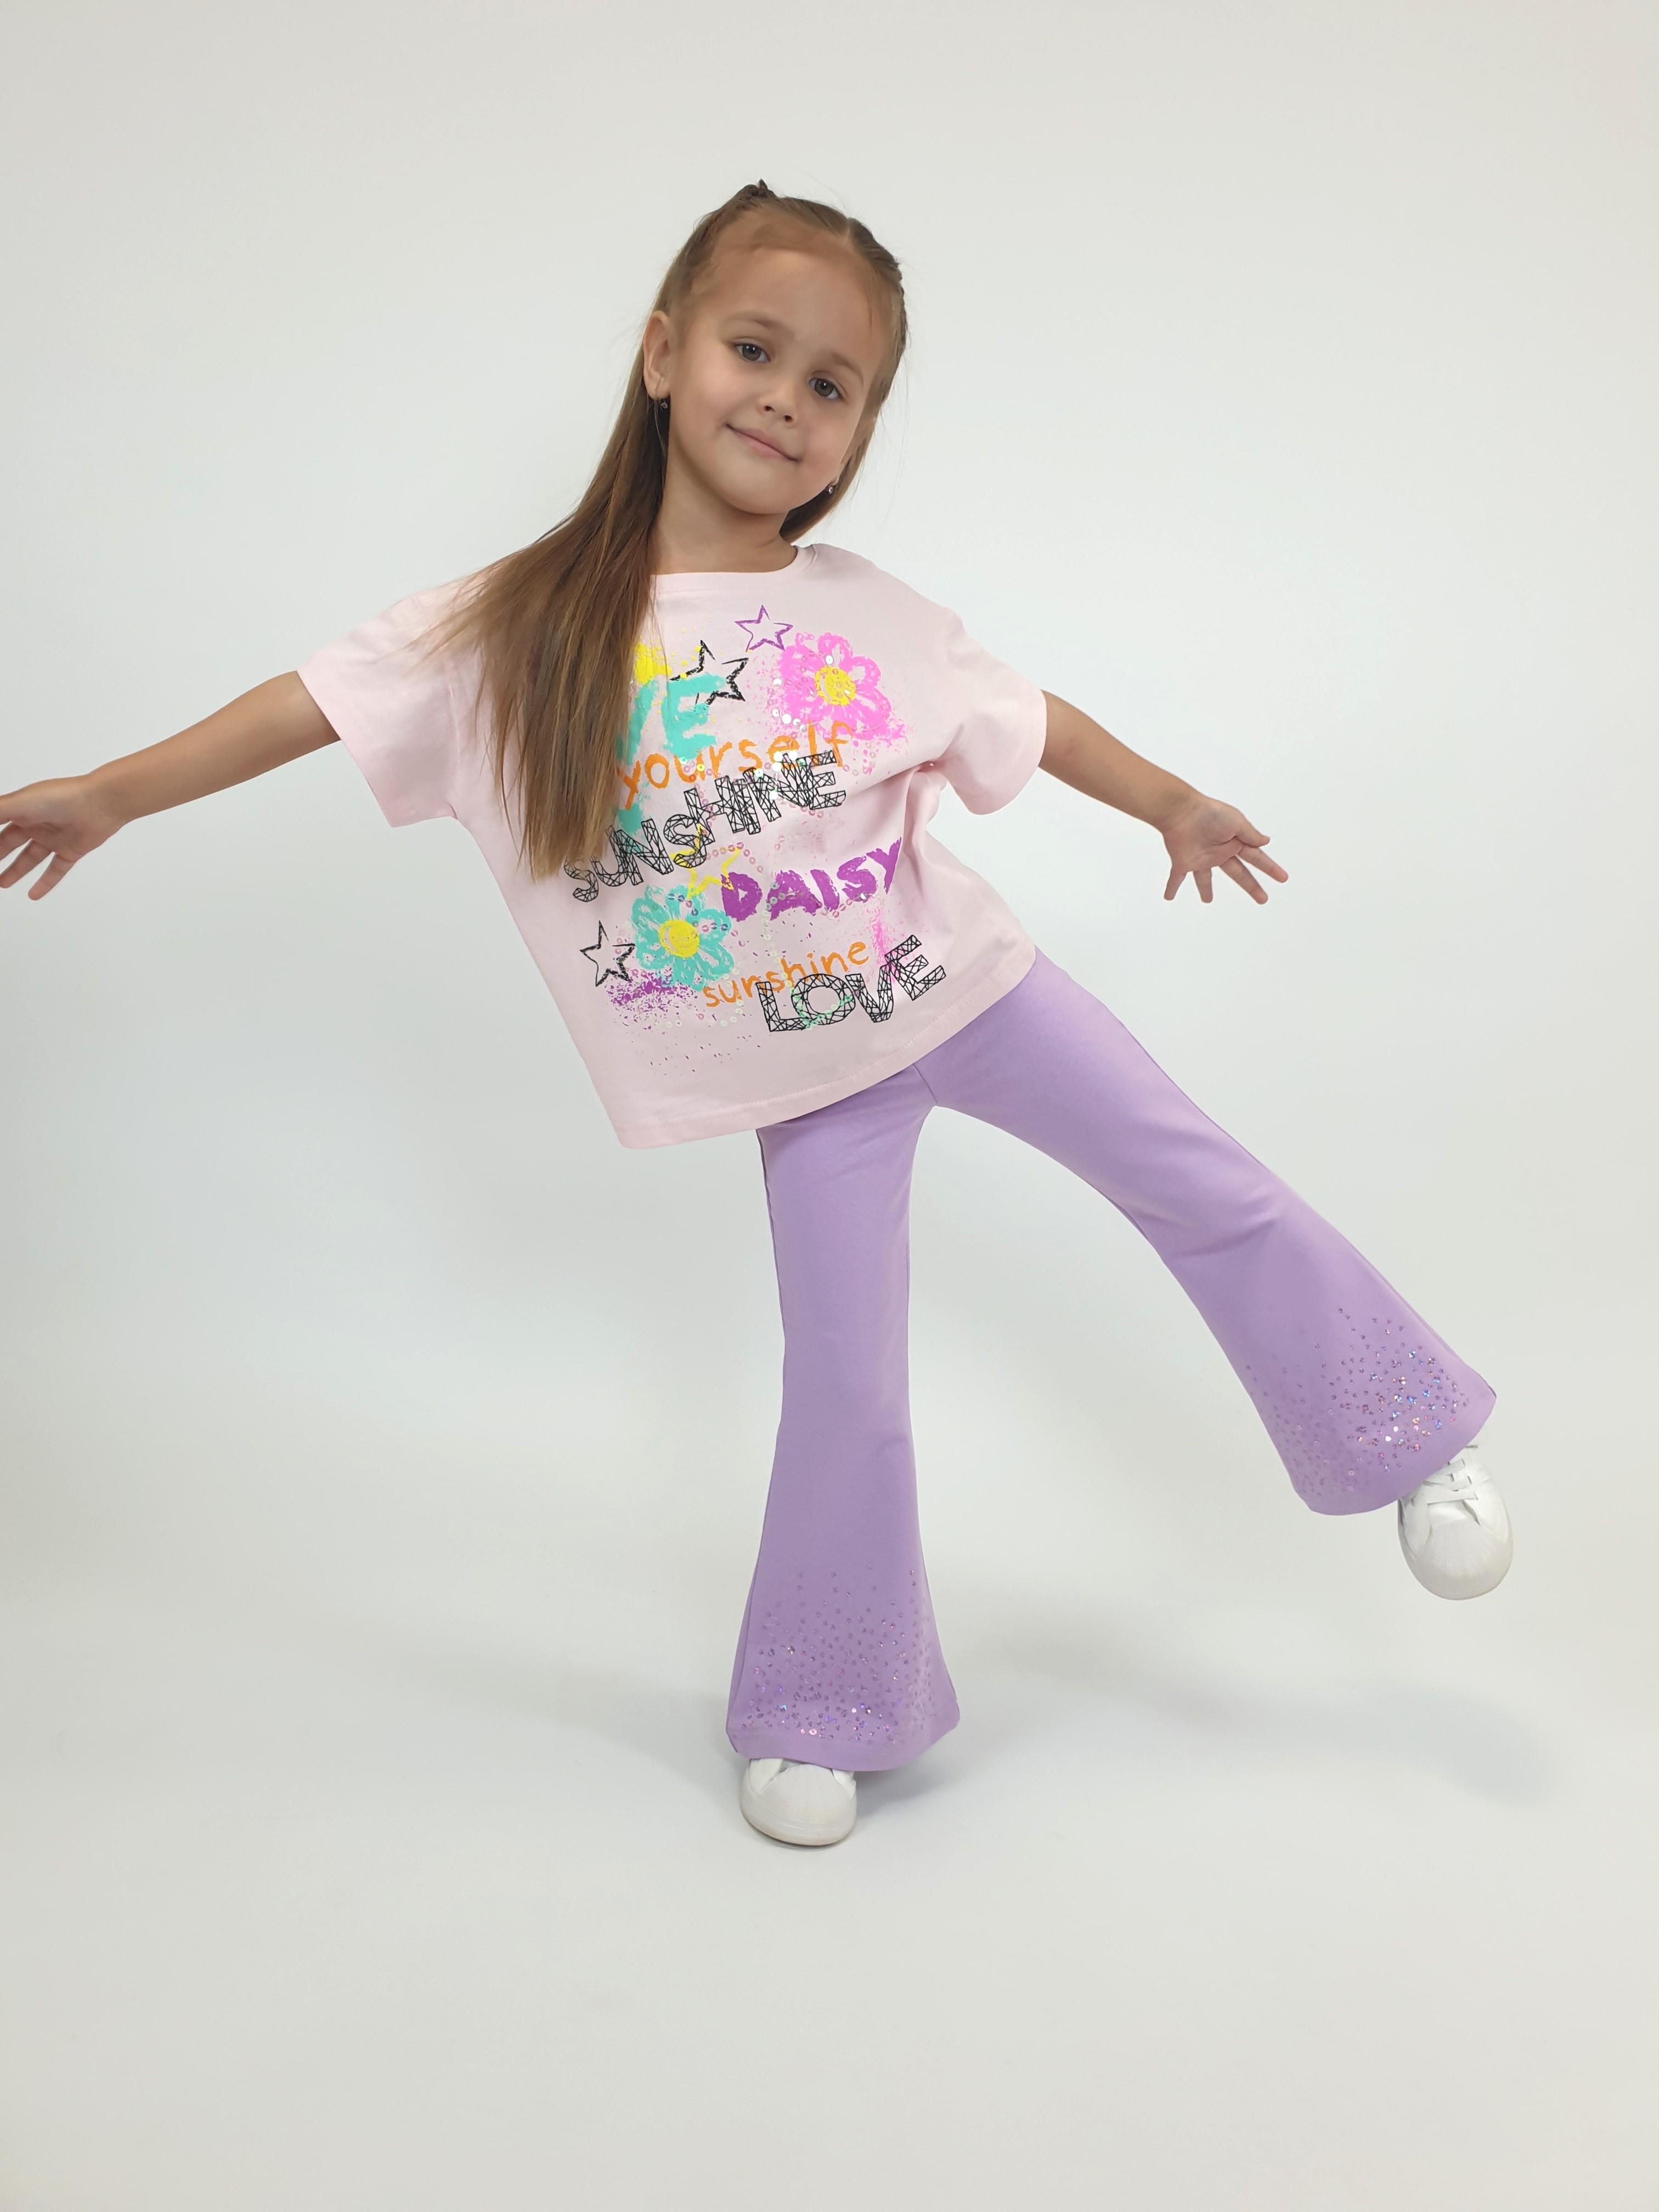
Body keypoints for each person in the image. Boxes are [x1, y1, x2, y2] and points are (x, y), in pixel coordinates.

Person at [0, 180, 1510, 1850]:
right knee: (847, 1383)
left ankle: (1409, 1437)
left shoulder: (869, 611)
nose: (785, 400)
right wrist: (113, 793)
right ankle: (830, 1700)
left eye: (832, 383)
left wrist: (1171, 802)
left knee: (1206, 1186)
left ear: (859, 429)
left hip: (974, 992)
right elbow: (316, 702)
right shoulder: (522, 626)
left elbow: (1029, 714)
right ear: (663, 354)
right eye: (753, 351)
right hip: (817, 1082)